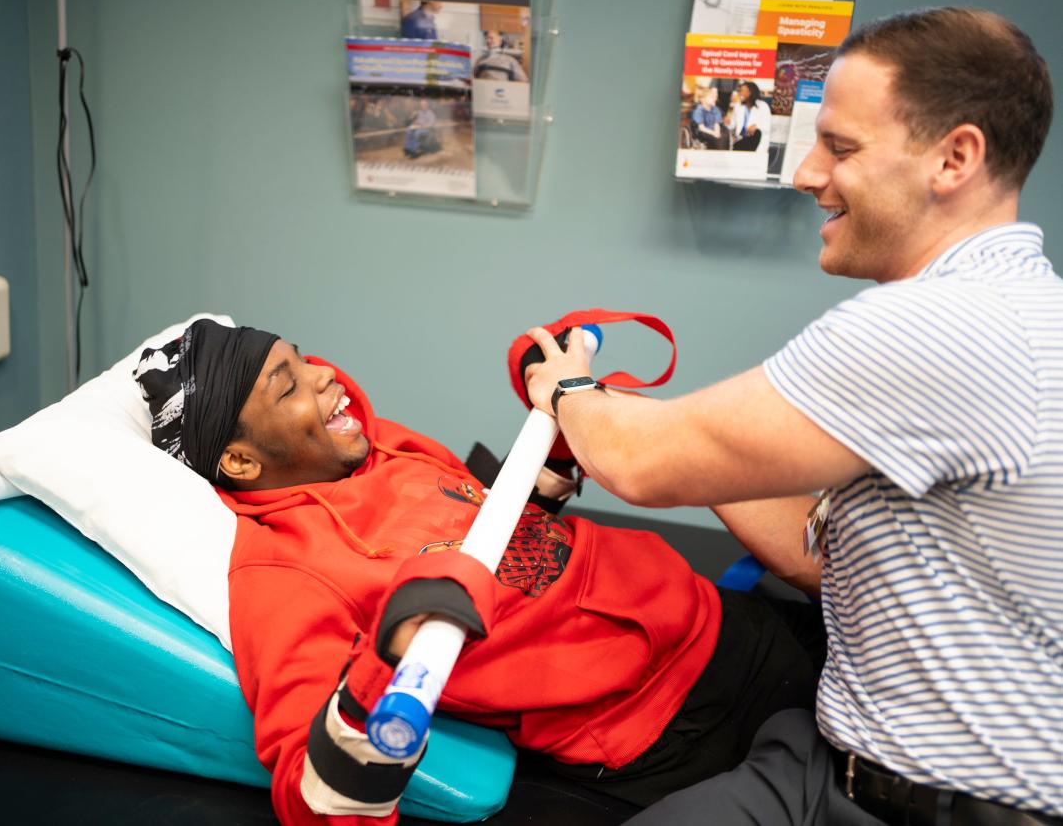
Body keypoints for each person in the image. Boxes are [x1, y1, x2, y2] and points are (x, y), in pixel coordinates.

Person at [524, 7, 1060, 825]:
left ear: (955, 157)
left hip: (946, 805)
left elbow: (645, 465)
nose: (808, 174)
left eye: (840, 148)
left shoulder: (950, 326)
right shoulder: (1009, 308)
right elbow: (821, 556)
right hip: (825, 753)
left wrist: (565, 392)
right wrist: (653, 431)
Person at [133, 319, 825, 825]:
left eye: (302, 356)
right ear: (244, 463)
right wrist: (392, 647)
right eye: (288, 387)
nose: (324, 375)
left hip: (724, 619)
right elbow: (315, 798)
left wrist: (555, 449)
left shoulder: (381, 447)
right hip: (665, 730)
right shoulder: (278, 573)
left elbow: (503, 527)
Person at [728, 80, 771, 151]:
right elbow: (732, 125)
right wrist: (728, 119)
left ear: (750, 92)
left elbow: (767, 125)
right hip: (740, 140)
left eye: (742, 91)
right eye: (739, 91)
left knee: (756, 134)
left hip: (756, 141)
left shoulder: (763, 106)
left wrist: (756, 127)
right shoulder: (738, 106)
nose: (740, 93)